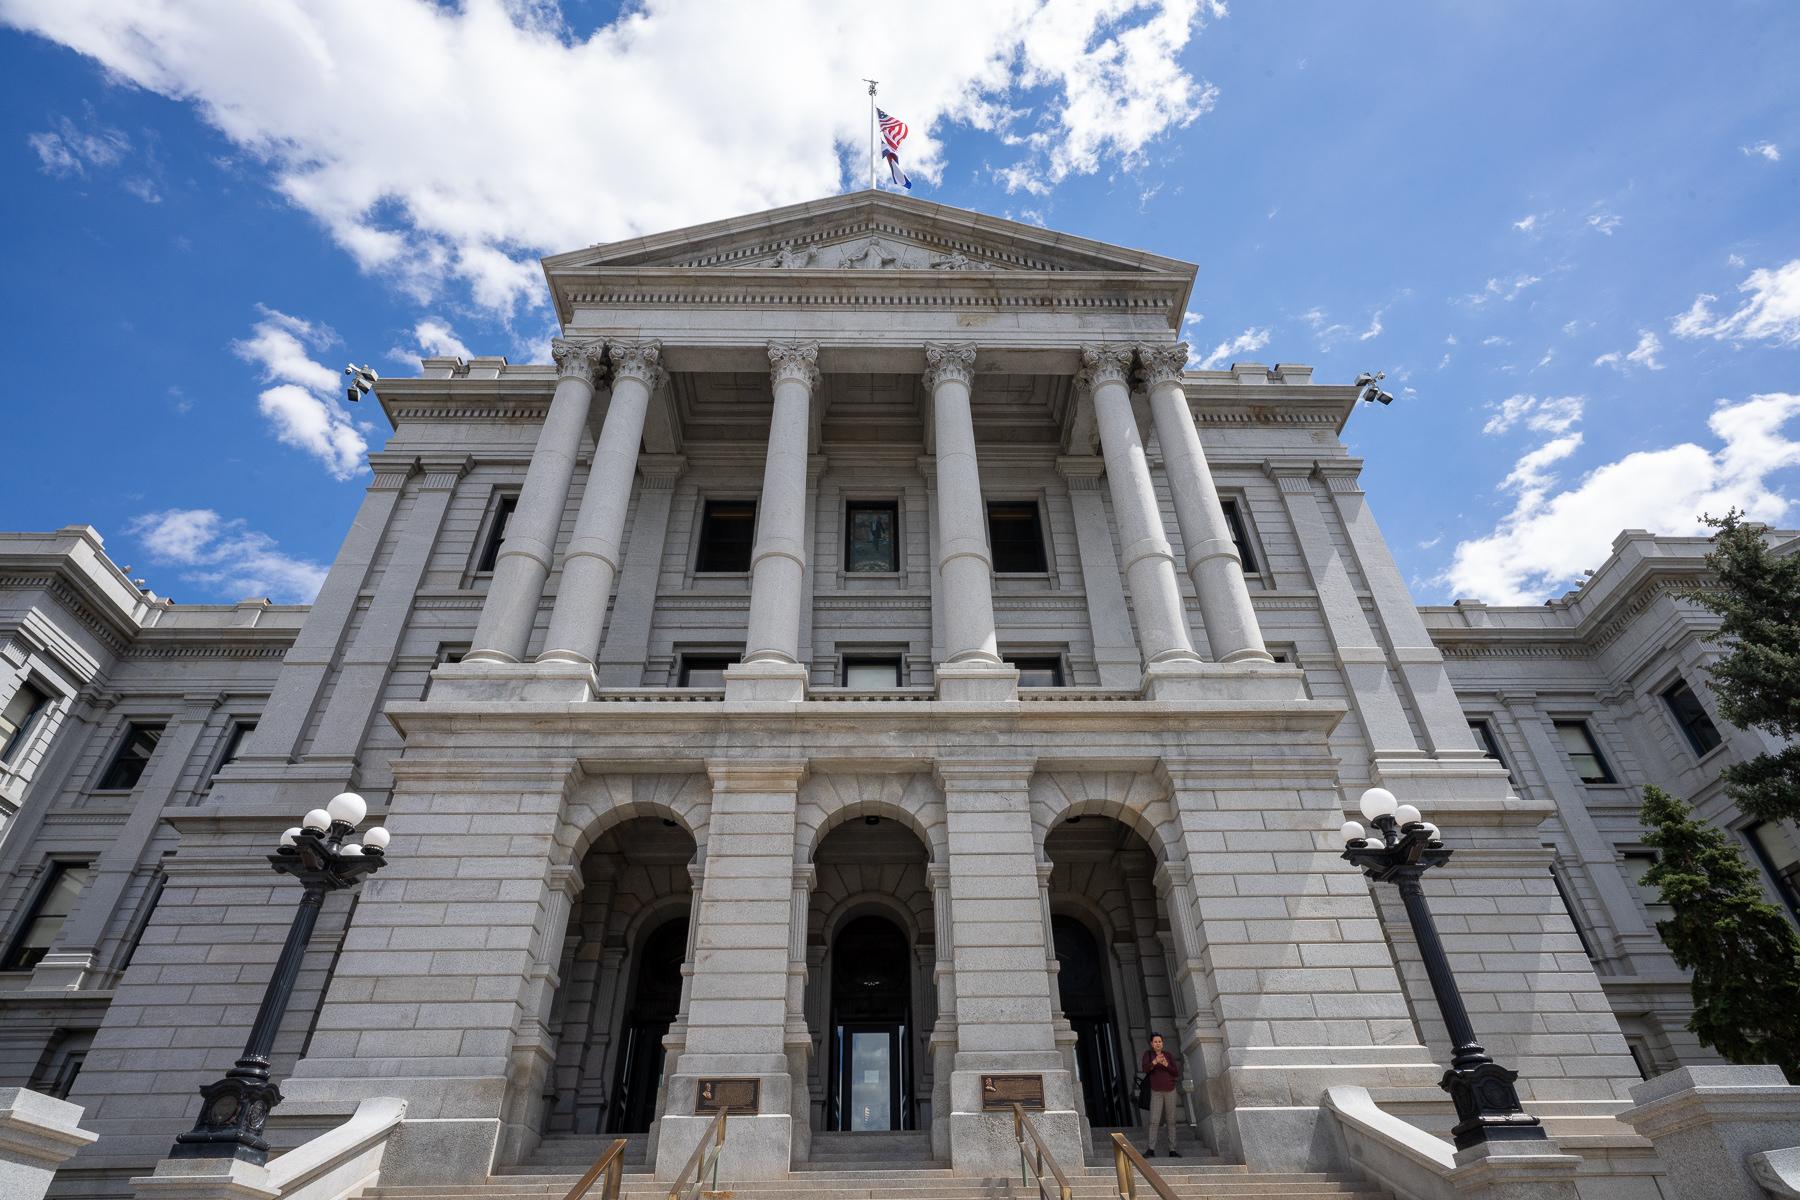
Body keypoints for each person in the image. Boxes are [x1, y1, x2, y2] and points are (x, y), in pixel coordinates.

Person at [1141, 1032, 1181, 1156]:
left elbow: (1175, 1072)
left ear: (1162, 1043)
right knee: (1154, 1120)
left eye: (1160, 1041)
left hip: (1170, 1090)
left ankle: (1172, 1149)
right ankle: (1151, 1149)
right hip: (1156, 1091)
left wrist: (1166, 1065)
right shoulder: (1148, 1055)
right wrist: (1154, 1062)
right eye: (1156, 1042)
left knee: (1171, 1120)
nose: (1158, 1044)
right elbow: (1145, 1069)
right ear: (1152, 1044)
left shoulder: (1168, 1055)